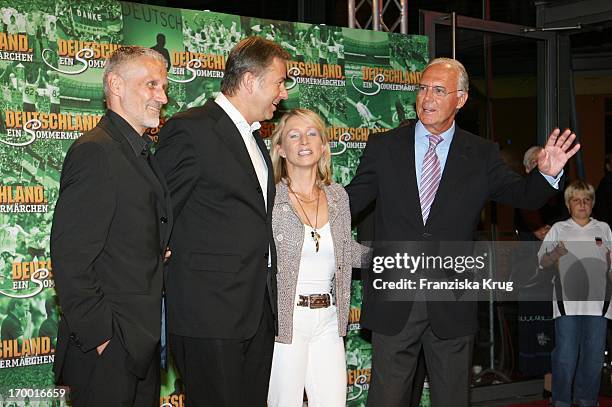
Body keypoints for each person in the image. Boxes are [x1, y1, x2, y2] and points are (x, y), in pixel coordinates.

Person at [346, 57, 580, 406]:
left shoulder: (482, 154)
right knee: (387, 398)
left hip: (451, 300)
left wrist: (546, 175)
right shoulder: (384, 146)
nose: (427, 98)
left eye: (439, 90)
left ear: (461, 99)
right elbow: (350, 202)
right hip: (395, 294)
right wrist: (308, 202)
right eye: (423, 88)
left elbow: (523, 195)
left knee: (452, 398)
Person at [155, 36, 290, 407]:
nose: (283, 93)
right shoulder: (192, 129)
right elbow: (158, 212)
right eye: (279, 82)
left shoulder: (255, 139)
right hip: (209, 315)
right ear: (250, 81)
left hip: (256, 312)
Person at [50, 46, 172, 407]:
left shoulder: (140, 153)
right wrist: (104, 339)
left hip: (140, 344)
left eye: (163, 87)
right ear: (116, 85)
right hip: (109, 350)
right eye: (151, 85)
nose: (162, 97)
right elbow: (71, 257)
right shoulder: (96, 152)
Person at [267, 109, 369, 406]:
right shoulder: (270, 198)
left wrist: (392, 257)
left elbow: (345, 251)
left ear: (324, 146)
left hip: (328, 320)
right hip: (286, 322)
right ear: (280, 149)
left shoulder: (337, 196)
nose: (304, 141)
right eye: (293, 135)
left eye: (312, 133)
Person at [538, 180, 612, 407]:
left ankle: (587, 400)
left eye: (587, 200)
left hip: (599, 304)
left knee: (594, 357)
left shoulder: (604, 228)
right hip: (567, 304)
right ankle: (560, 401)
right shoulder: (559, 228)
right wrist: (556, 252)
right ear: (568, 204)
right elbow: (542, 261)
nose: (582, 204)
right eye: (576, 200)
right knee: (566, 357)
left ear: (593, 204)